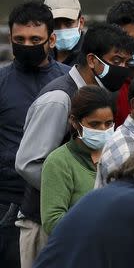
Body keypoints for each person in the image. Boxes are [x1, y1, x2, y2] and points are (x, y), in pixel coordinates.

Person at [15, 23, 134, 267]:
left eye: (126, 63)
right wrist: (75, 192)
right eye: (117, 60)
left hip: (83, 224)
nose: (123, 69)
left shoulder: (99, 95)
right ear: (92, 60)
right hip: (44, 224)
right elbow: (27, 163)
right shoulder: (59, 99)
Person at [0, 1, 69, 268]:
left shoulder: (71, 81)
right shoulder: (2, 83)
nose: (27, 45)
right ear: (10, 38)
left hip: (59, 201)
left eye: (35, 39)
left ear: (51, 40)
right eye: (20, 39)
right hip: (9, 203)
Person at [40, 86, 114, 235]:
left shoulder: (116, 154)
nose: (103, 130)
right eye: (94, 124)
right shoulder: (59, 162)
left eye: (108, 123)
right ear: (74, 121)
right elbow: (52, 222)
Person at [44, 0, 85, 66]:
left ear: (81, 23)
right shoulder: (41, 57)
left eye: (68, 23)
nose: (62, 30)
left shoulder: (92, 56)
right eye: (55, 24)